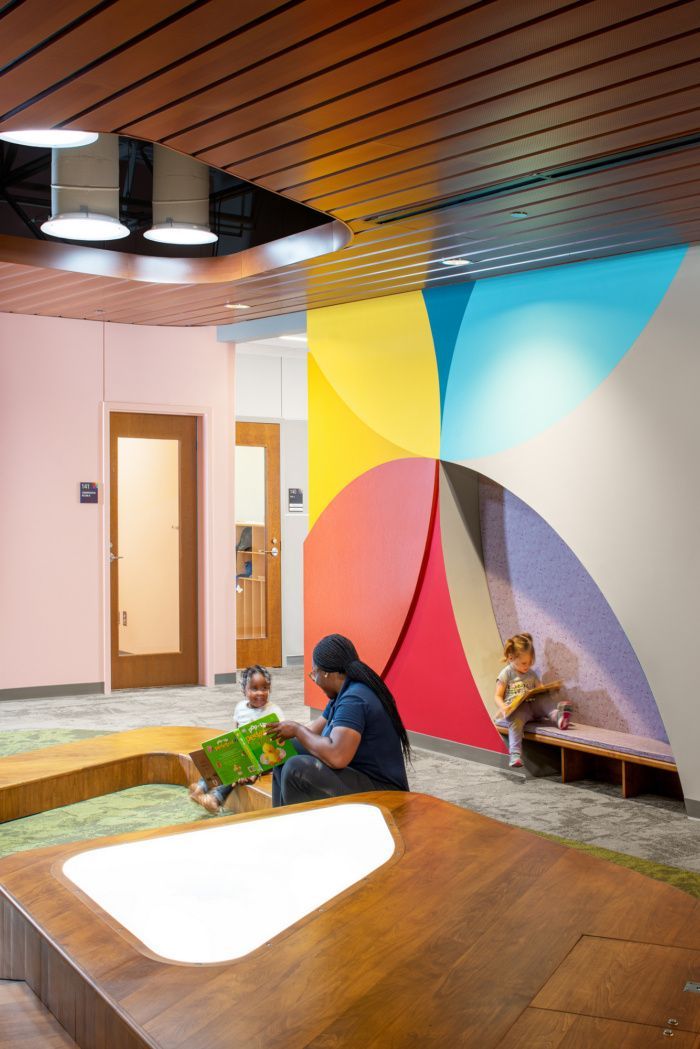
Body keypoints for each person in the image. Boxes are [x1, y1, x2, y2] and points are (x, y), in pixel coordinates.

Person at [264, 634, 410, 807]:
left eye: (314, 674)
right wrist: (259, 759)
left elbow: (337, 756)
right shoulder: (342, 694)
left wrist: (296, 729)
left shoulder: (354, 699)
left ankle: (299, 830)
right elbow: (313, 730)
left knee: (296, 769)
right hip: (358, 776)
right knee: (287, 751)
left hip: (384, 791)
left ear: (325, 673)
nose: (314, 679)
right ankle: (281, 821)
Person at [189, 665, 284, 814]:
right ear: (244, 690)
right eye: (254, 688)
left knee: (239, 772)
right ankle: (201, 788)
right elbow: (236, 731)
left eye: (265, 688)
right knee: (221, 759)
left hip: (264, 759)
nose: (260, 693)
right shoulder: (240, 708)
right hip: (243, 753)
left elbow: (280, 742)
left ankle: (216, 798)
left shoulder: (274, 711)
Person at [494, 632, 571, 769]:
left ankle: (558, 717)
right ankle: (515, 754)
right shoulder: (506, 673)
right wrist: (503, 707)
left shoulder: (531, 673)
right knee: (515, 722)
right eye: (524, 663)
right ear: (511, 658)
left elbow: (539, 689)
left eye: (530, 663)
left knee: (543, 699)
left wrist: (549, 689)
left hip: (533, 709)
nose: (527, 666)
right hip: (518, 710)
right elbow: (497, 696)